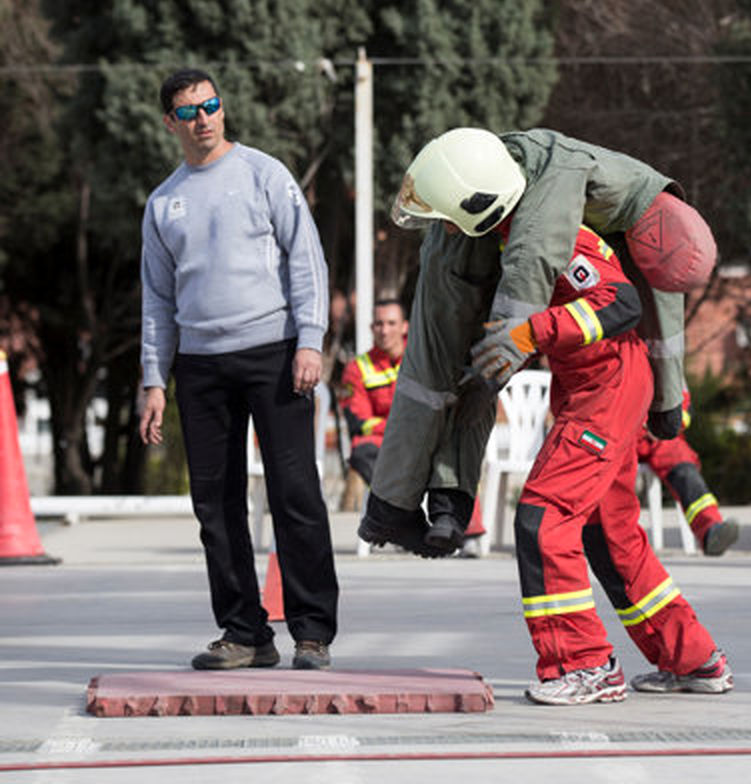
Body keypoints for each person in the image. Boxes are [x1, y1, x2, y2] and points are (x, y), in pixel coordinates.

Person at [357, 128, 717, 557]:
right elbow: (536, 260)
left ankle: (441, 505)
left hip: (595, 373)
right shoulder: (539, 191)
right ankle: (409, 507)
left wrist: (668, 399)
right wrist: (515, 339)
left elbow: (543, 263)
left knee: (469, 374)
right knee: (443, 372)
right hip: (484, 259)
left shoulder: (591, 201)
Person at [477, 220, 732, 704]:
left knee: (543, 518)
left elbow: (618, 302)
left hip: (605, 391)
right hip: (604, 387)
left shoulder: (554, 235)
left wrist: (530, 334)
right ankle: (693, 658)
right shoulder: (531, 231)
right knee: (610, 538)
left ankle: (585, 664)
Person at [139, 69, 338, 670]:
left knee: (295, 491)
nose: (204, 118)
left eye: (212, 105)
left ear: (223, 109)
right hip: (199, 367)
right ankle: (245, 632)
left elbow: (307, 259)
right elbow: (156, 299)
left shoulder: (264, 173)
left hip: (273, 354)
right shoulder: (163, 202)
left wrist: (310, 340)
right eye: (190, 111)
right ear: (170, 122)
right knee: (215, 503)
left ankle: (311, 632)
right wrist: (153, 379)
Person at [636, 390, 740, 556]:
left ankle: (710, 530)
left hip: (659, 437)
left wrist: (663, 424)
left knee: (681, 461)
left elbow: (681, 401)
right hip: (616, 436)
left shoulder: (665, 365)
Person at [339, 299, 408, 485]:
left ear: (405, 327)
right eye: (379, 324)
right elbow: (359, 422)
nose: (385, 331)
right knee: (362, 449)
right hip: (384, 443)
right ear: (371, 328)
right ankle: (396, 509)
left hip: (424, 437)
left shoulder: (423, 359)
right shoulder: (356, 368)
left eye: (391, 323)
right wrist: (400, 430)